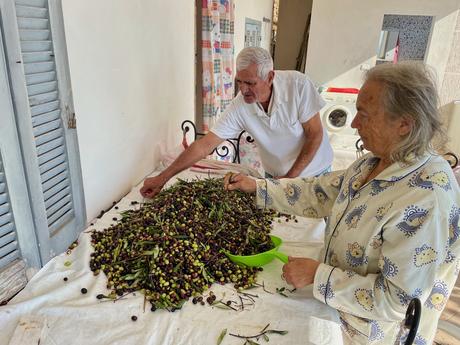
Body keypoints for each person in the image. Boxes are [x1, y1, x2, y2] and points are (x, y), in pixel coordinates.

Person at [224, 62, 460, 344]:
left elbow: (399, 301)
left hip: (370, 332)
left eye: (364, 114)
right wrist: (259, 188)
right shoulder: (376, 162)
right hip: (336, 304)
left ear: (404, 125)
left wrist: (318, 275)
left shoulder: (426, 197)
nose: (354, 123)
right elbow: (320, 191)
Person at [140, 47, 333, 198]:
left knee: (316, 230)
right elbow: (204, 146)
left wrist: (288, 180)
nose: (243, 89)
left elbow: (315, 135)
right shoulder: (240, 106)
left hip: (314, 173)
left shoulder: (298, 86)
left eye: (250, 83)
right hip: (276, 177)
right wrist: (162, 178)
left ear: (270, 77)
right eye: (239, 82)